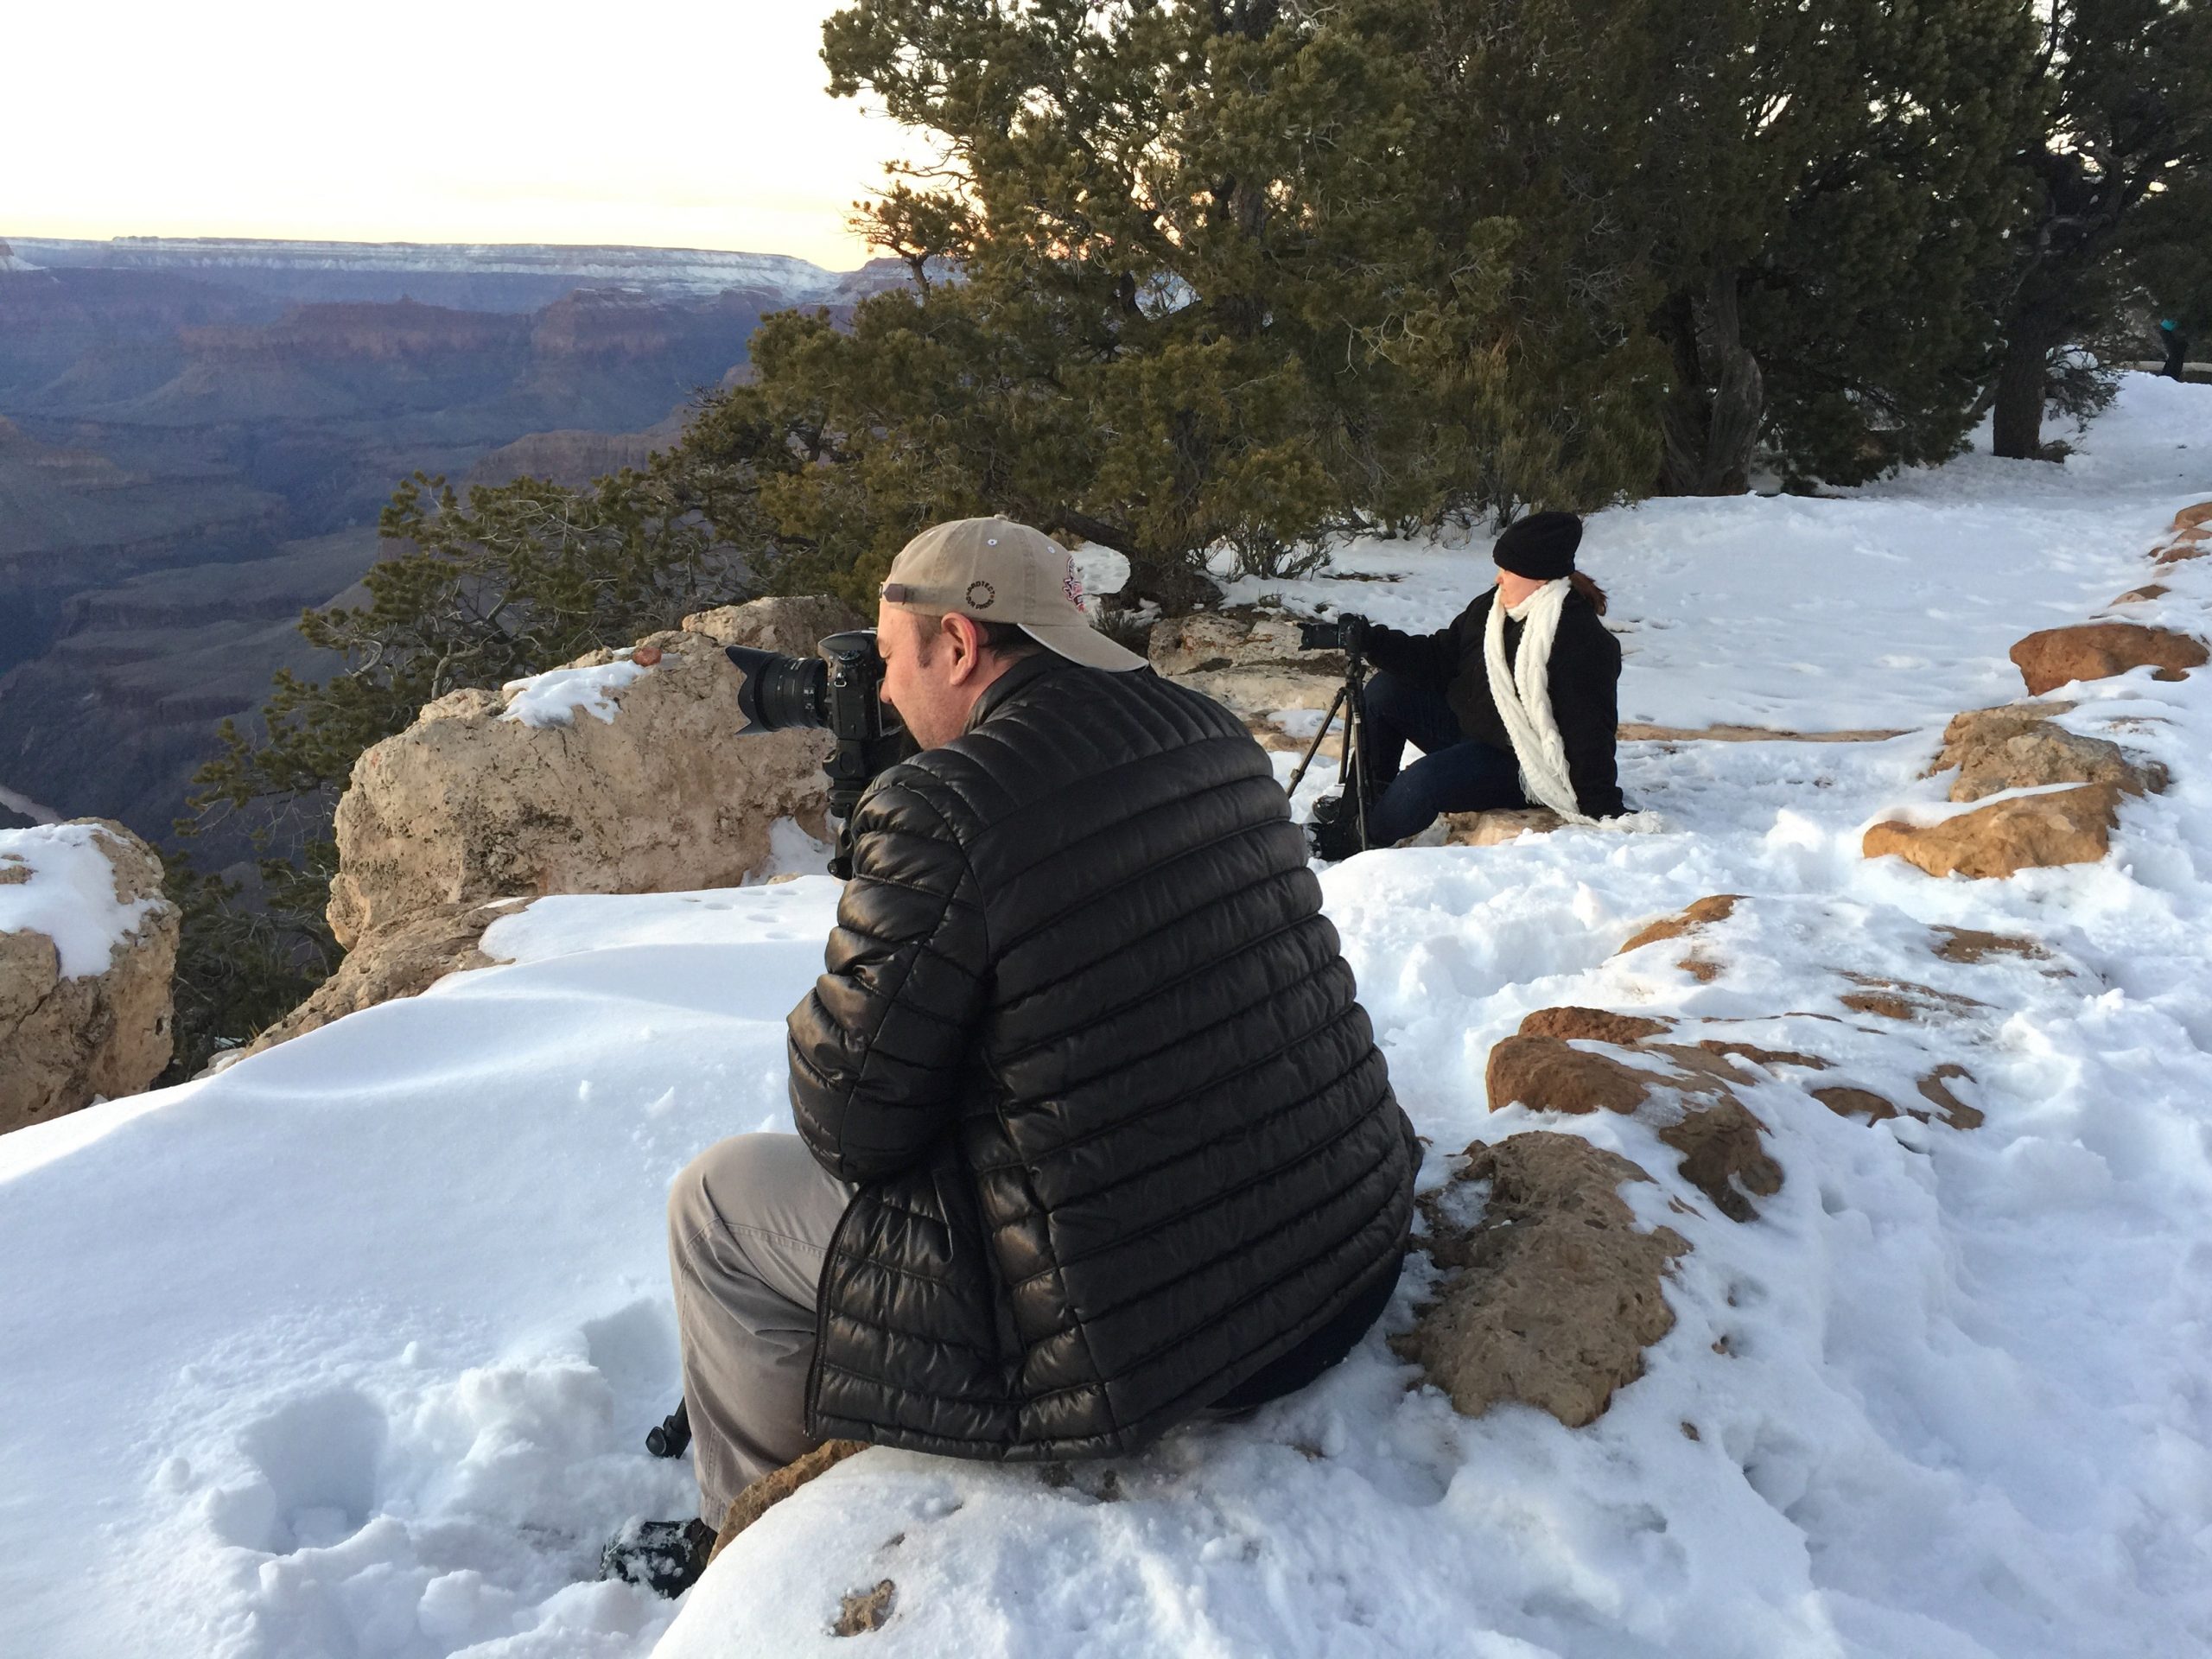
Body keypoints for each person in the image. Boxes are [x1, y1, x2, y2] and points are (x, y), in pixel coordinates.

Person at [607, 518, 1418, 1594]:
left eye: (892, 663)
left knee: (715, 1204)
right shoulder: (1210, 731)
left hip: (1150, 1345)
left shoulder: (941, 805)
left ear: (957, 645)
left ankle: (748, 1532)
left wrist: (880, 889)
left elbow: (850, 1122)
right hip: (1337, 1254)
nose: (885, 697)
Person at [1311, 511, 1627, 859]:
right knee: (1385, 691)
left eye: (1509, 571)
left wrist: (1603, 806)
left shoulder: (1580, 642)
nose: (1499, 578)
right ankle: (1362, 804)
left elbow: (1591, 732)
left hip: (1521, 763)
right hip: (1472, 731)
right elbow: (1437, 659)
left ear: (1540, 579)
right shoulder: (1491, 610)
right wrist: (1373, 641)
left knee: (1424, 781)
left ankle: (1361, 837)